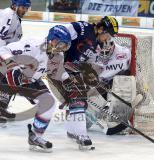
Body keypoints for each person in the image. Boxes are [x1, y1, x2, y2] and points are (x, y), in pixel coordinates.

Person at [0, 25, 84, 152]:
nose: (62, 48)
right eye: (61, 44)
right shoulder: (33, 45)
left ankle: (35, 137)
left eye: (64, 46)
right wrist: (14, 67)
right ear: (52, 40)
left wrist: (68, 80)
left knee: (48, 103)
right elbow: (3, 50)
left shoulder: (57, 55)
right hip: (7, 77)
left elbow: (57, 71)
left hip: (30, 80)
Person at [48, 16, 119, 146]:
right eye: (108, 34)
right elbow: (58, 34)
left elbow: (90, 64)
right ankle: (81, 134)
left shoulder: (99, 45)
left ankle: (72, 130)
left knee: (79, 101)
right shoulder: (82, 28)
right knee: (78, 99)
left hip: (72, 72)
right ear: (101, 29)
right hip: (59, 69)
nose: (109, 39)